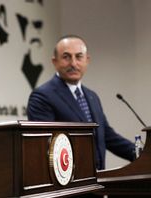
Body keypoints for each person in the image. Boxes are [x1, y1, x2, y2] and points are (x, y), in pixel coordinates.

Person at [27, 35, 135, 170]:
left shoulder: (92, 96)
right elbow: (45, 146)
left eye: (79, 57)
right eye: (66, 57)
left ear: (87, 60)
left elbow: (107, 136)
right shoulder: (42, 96)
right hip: (69, 185)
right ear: (54, 62)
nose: (73, 63)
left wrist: (141, 153)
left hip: (98, 183)